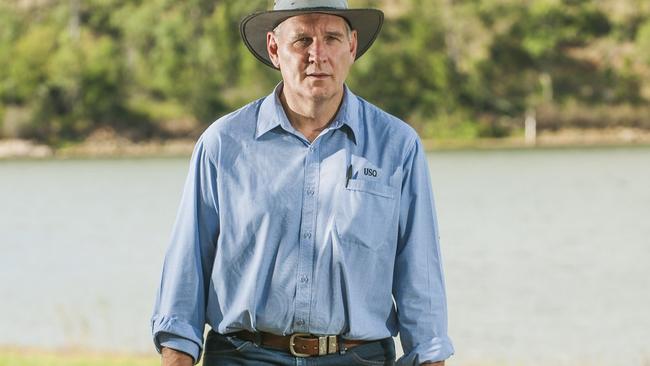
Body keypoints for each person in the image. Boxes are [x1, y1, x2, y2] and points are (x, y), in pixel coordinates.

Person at [151, 0, 454, 365]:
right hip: (243, 356)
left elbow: (419, 272)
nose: (318, 54)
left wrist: (430, 356)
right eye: (302, 41)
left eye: (331, 38)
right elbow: (188, 265)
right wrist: (176, 355)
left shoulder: (398, 146)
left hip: (358, 358)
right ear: (274, 49)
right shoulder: (223, 144)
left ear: (352, 47)